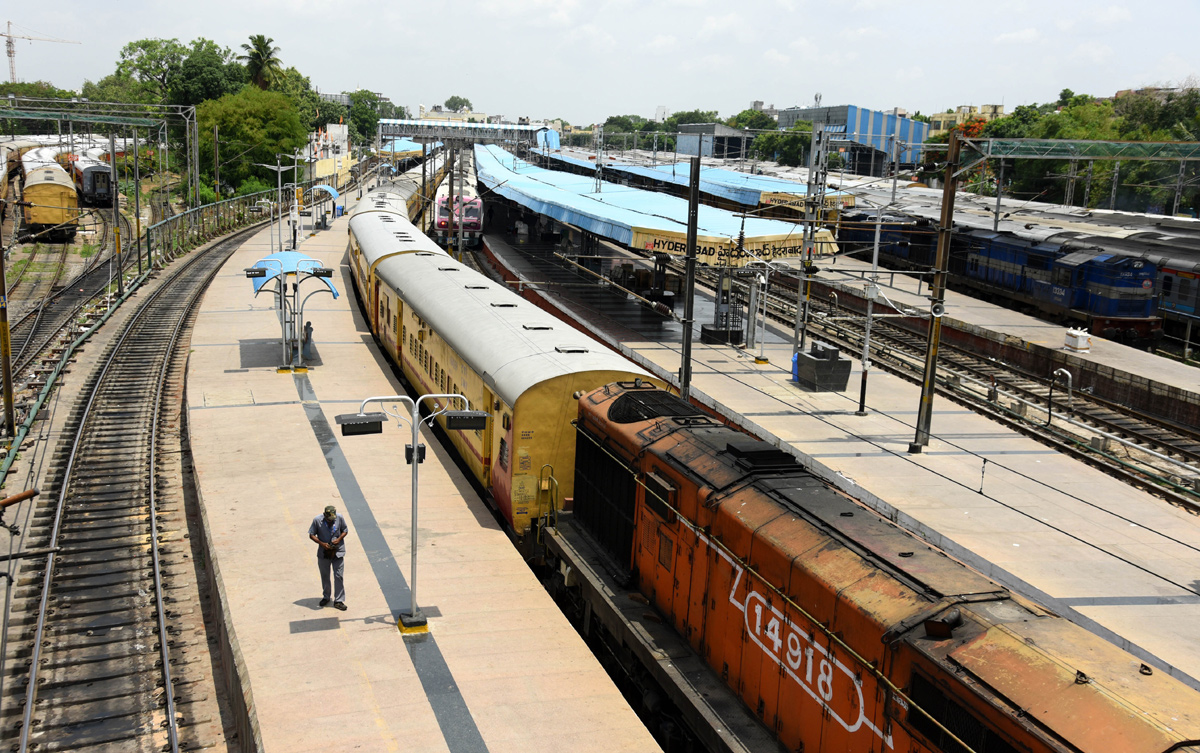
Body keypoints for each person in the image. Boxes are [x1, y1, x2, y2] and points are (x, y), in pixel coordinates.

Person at [308, 505, 349, 610]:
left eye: (332, 520)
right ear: (324, 515)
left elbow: (345, 530)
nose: (331, 521)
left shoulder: (339, 517)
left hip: (338, 552)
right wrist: (322, 544)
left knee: (338, 576)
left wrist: (339, 539)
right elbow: (311, 534)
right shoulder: (317, 520)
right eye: (329, 520)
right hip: (324, 553)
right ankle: (326, 597)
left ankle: (339, 600)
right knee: (325, 576)